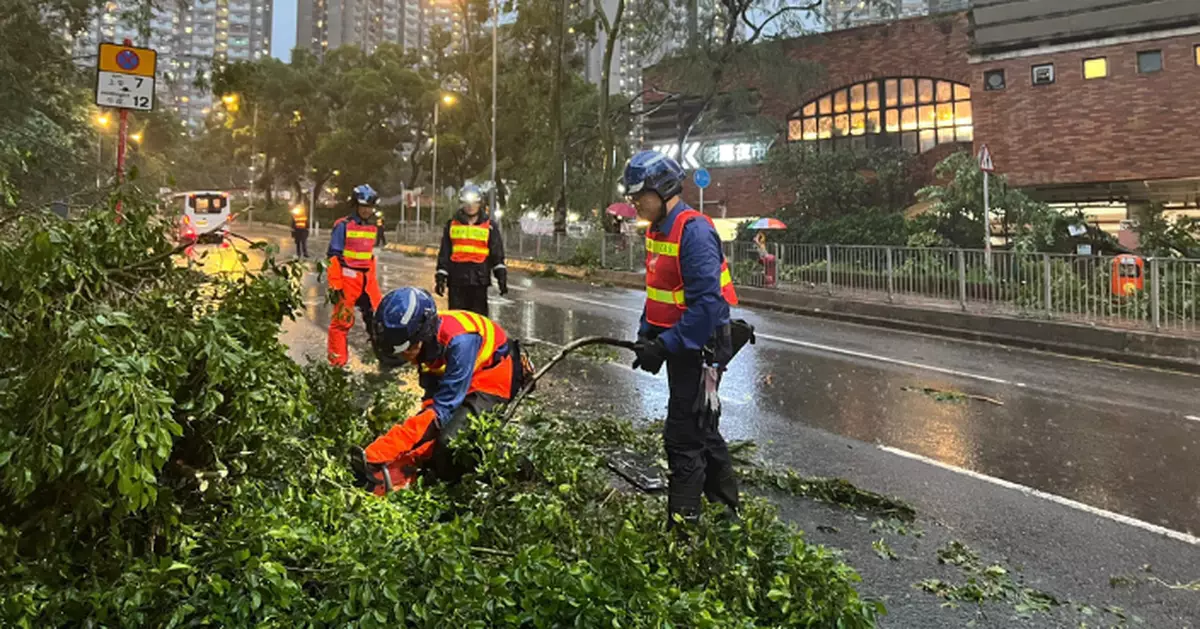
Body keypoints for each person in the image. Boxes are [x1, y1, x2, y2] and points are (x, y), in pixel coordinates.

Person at [624, 149, 741, 528]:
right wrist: (647, 336)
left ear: (663, 189)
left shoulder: (695, 231)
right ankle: (726, 510)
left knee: (683, 435)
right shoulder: (658, 229)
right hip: (682, 341)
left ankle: (683, 528)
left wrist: (667, 344)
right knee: (702, 426)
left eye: (640, 196)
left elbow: (707, 305)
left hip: (701, 346)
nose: (635, 204)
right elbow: (659, 291)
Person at [349, 287, 522, 493]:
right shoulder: (425, 343)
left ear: (422, 335)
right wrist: (409, 458)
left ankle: (516, 473)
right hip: (464, 376)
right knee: (431, 441)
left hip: (495, 376)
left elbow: (442, 411)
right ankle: (432, 473)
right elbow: (430, 408)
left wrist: (382, 451)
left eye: (407, 350)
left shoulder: (460, 342)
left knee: (451, 442)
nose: (405, 357)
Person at [325, 184, 383, 367]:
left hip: (367, 281)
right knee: (341, 323)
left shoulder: (373, 226)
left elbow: (369, 256)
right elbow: (333, 256)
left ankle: (384, 359)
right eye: (364, 206)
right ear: (356, 205)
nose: (367, 210)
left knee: (377, 319)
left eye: (370, 207)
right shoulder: (343, 226)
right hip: (348, 281)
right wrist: (335, 285)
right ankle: (337, 364)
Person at [435, 183, 507, 316]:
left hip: (479, 280)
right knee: (457, 319)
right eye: (467, 203)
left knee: (478, 320)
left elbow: (497, 254)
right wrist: (441, 277)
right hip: (457, 280)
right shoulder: (451, 225)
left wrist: (501, 278)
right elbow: (445, 253)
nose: (470, 206)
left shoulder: (489, 226)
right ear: (462, 204)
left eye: (474, 202)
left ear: (480, 203)